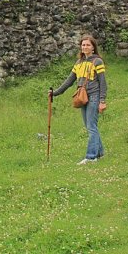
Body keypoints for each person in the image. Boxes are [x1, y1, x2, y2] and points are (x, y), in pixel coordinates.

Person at [49, 35, 108, 165]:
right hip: (82, 97)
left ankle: (91, 157)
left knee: (91, 126)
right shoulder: (79, 63)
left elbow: (103, 83)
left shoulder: (97, 62)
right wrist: (56, 93)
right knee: (90, 126)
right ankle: (100, 153)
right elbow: (70, 80)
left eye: (87, 45)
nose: (85, 47)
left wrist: (102, 101)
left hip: (94, 95)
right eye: (83, 45)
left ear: (93, 47)